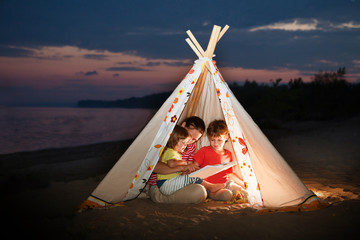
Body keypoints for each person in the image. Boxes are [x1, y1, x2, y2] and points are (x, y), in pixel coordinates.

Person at [148, 116, 208, 203]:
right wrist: (183, 167)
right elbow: (155, 167)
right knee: (199, 192)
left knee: (200, 189)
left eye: (194, 140)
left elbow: (188, 169)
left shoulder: (191, 147)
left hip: (178, 183)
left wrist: (188, 170)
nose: (189, 141)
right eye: (190, 136)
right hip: (160, 186)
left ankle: (209, 189)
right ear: (183, 125)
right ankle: (209, 188)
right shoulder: (167, 142)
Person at [156, 125, 224, 195]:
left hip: (171, 182)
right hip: (166, 183)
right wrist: (185, 163)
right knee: (193, 177)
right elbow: (171, 164)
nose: (185, 145)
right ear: (174, 140)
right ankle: (210, 186)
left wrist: (185, 170)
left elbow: (175, 169)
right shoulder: (170, 151)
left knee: (191, 181)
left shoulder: (177, 154)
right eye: (183, 143)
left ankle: (208, 192)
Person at [193, 119, 246, 201]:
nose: (216, 143)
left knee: (240, 189)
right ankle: (213, 193)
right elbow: (193, 167)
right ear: (209, 138)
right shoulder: (204, 151)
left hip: (225, 183)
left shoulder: (228, 154)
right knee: (226, 195)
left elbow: (229, 174)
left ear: (226, 138)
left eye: (219, 140)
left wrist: (243, 183)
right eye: (212, 140)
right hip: (210, 186)